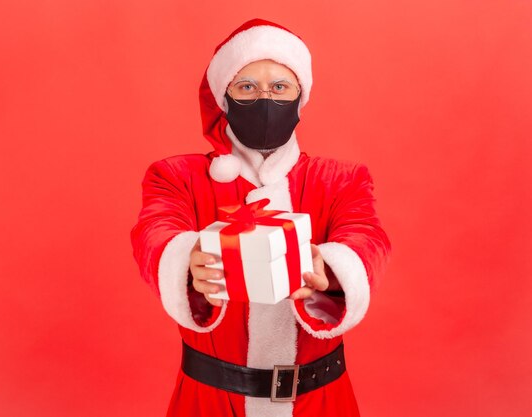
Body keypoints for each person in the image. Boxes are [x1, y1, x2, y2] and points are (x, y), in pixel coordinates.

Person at [130, 18, 391, 417]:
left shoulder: (342, 179)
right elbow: (154, 230)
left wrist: (333, 268)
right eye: (247, 87)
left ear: (300, 98)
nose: (265, 98)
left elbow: (366, 235)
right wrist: (188, 259)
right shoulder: (176, 176)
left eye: (280, 88)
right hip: (211, 402)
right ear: (224, 97)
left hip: (320, 401)